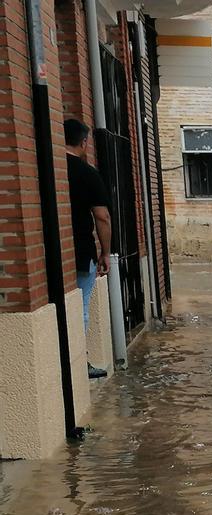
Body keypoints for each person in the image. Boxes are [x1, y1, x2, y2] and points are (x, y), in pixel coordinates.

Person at [65, 119, 111, 380]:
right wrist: (105, 252)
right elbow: (102, 217)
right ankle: (78, 364)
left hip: (54, 252)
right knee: (80, 309)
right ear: (83, 142)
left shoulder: (50, 169)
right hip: (82, 251)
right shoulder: (87, 173)